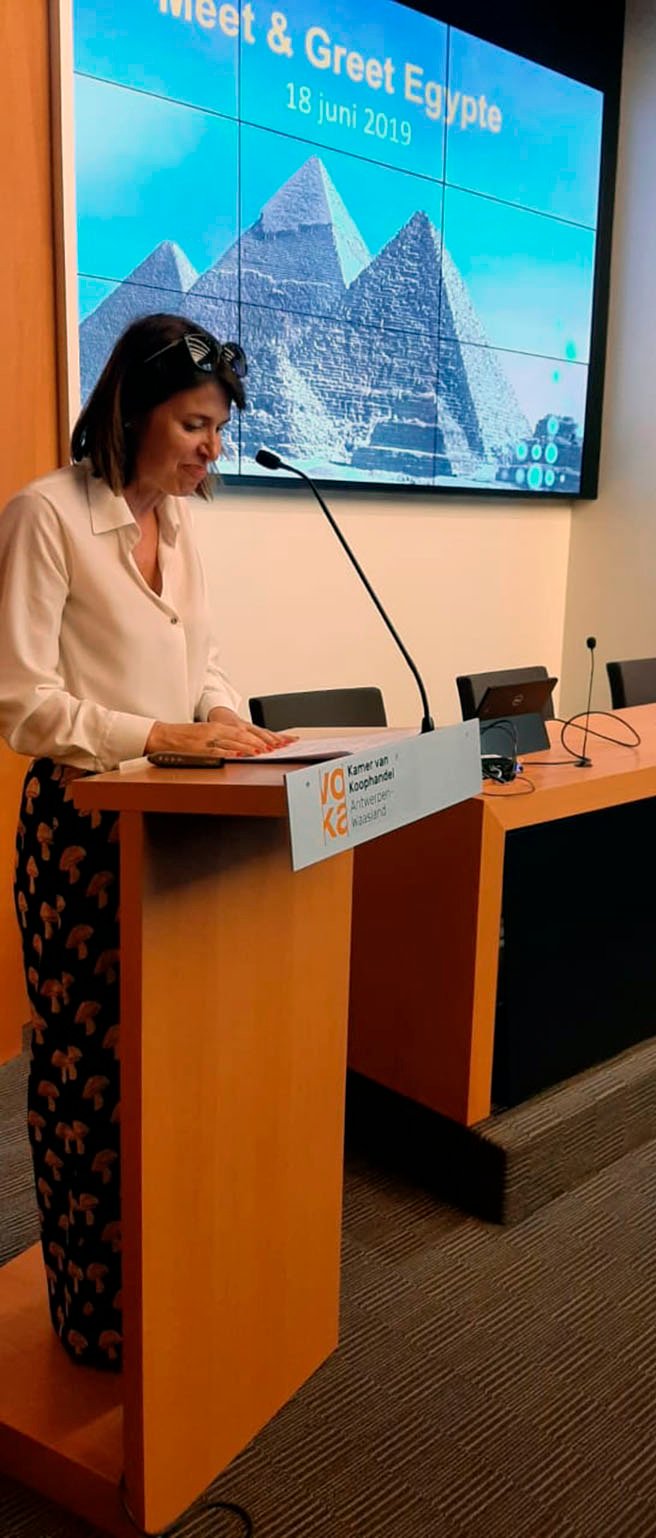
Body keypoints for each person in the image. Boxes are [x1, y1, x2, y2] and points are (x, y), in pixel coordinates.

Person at [0, 313, 292, 1370]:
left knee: (177, 1069)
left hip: (183, 826)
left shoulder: (180, 525)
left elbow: (201, 663)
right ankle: (94, 1314)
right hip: (82, 832)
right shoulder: (45, 515)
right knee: (90, 1080)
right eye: (195, 425)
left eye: (219, 428)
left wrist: (227, 720)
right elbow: (20, 701)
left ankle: (176, 1288)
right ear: (132, 412)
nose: (213, 447)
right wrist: (158, 735)